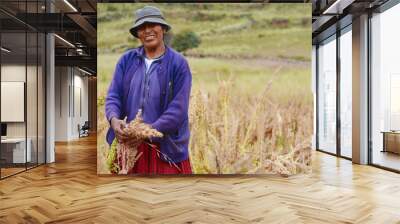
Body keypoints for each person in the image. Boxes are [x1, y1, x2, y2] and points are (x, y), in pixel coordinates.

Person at [105, 6, 192, 174]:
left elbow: (178, 109)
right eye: (142, 27)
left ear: (163, 28)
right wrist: (114, 120)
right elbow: (113, 95)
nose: (147, 30)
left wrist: (146, 132)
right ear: (137, 33)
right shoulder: (126, 60)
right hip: (129, 146)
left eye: (153, 24)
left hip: (164, 148)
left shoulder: (178, 63)